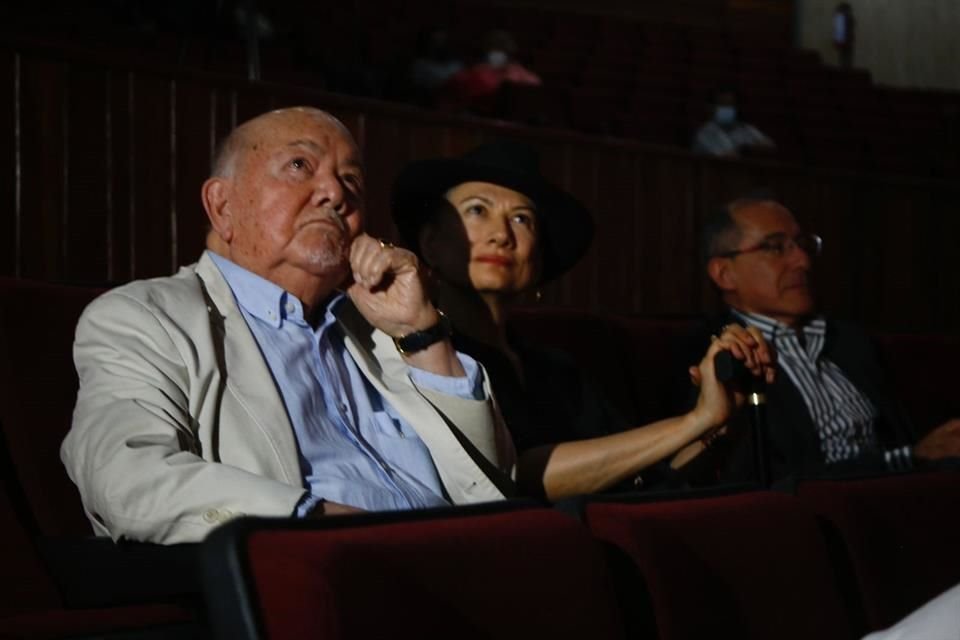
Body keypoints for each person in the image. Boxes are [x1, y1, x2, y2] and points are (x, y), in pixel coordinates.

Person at [61, 107, 516, 545]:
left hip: (465, 561)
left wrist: (422, 334)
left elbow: (491, 478)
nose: (336, 194)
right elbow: (125, 476)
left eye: (351, 179)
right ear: (222, 206)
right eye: (300, 165)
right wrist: (317, 525)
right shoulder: (145, 316)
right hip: (318, 579)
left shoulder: (382, 326)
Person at [390, 141, 774, 500]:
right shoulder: (427, 358)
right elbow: (508, 473)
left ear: (537, 261)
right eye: (477, 210)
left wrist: (719, 419)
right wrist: (695, 422)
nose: (502, 235)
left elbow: (647, 468)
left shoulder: (558, 369)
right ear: (431, 245)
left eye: (522, 219)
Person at [696, 194, 960, 483]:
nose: (802, 261)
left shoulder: (849, 340)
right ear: (724, 274)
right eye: (775, 248)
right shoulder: (714, 355)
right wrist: (909, 458)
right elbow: (767, 480)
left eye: (803, 245)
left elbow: (898, 434)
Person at [692, 86, 775, 158]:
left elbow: (770, 146)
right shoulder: (705, 133)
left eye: (730, 104)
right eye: (723, 104)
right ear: (711, 108)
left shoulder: (746, 128)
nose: (727, 109)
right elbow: (725, 158)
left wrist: (749, 149)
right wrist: (745, 150)